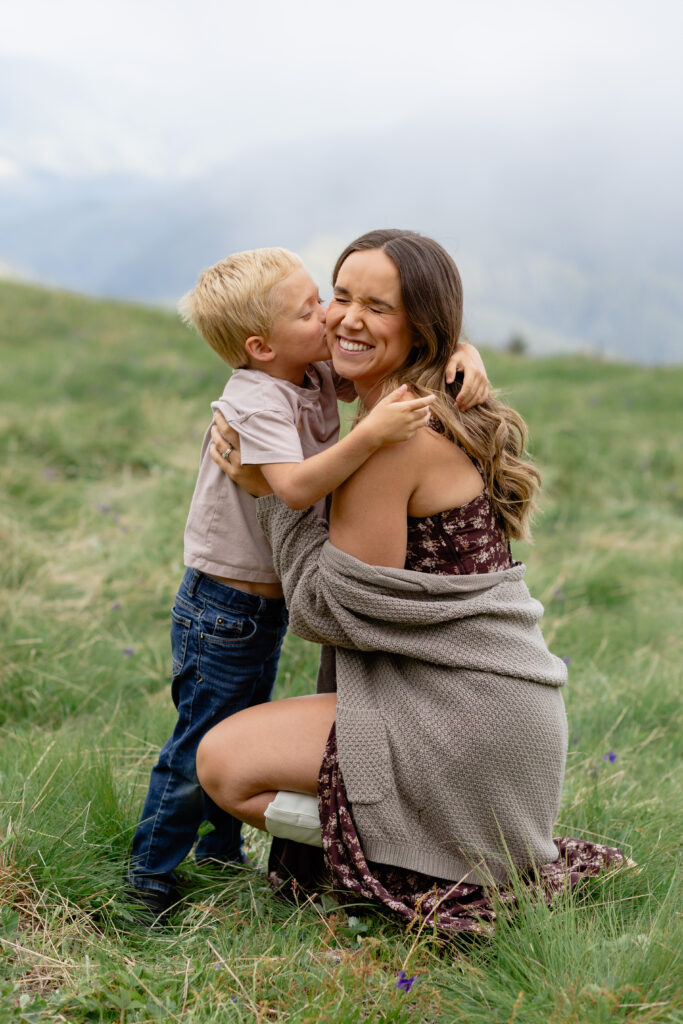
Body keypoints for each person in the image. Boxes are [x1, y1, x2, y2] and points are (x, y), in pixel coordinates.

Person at [197, 229, 627, 934]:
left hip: (463, 717)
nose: (346, 318)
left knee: (223, 765)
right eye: (339, 297)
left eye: (378, 307)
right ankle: (414, 854)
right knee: (238, 754)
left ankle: (411, 871)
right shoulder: (411, 403)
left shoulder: (391, 442)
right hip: (494, 708)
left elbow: (331, 611)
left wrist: (269, 492)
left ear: (419, 327)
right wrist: (461, 349)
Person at [127, 245, 488, 920]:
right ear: (262, 347)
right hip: (224, 605)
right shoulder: (256, 397)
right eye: (310, 309)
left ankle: (218, 856)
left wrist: (458, 351)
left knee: (235, 721)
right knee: (199, 737)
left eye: (321, 296)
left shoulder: (308, 369)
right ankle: (149, 877)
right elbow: (291, 490)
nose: (329, 316)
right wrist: (369, 437)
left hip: (259, 604)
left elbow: (380, 360)